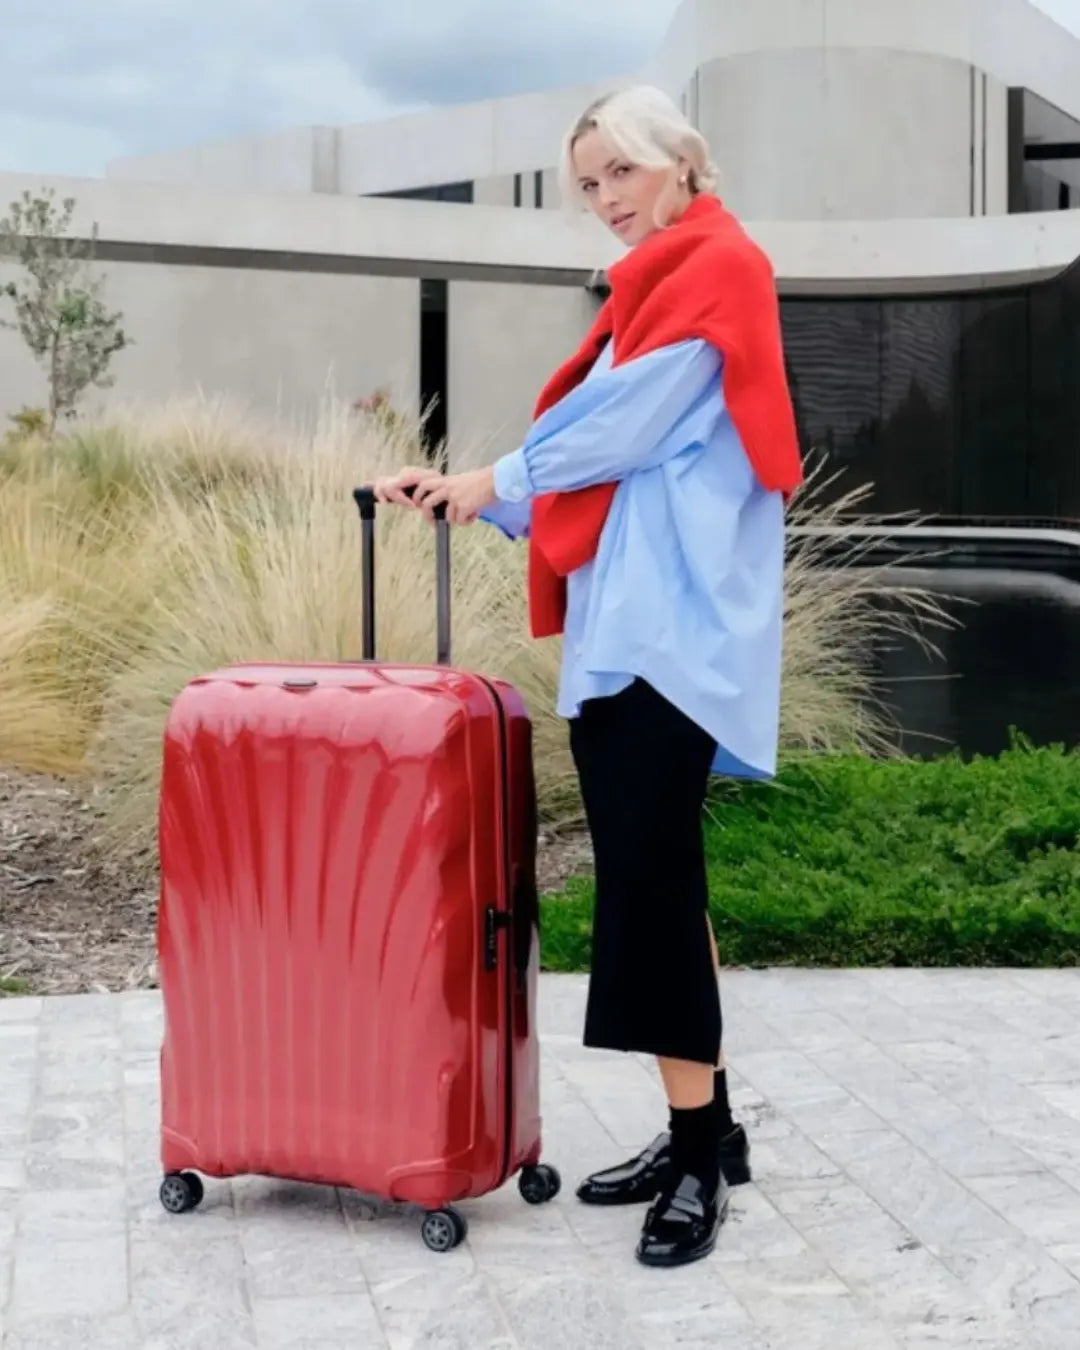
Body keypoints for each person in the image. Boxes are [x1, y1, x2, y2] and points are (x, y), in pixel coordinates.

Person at [373, 84, 803, 1269]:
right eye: (589, 184)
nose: (607, 200)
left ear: (680, 159)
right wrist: (484, 492)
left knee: (653, 890)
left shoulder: (714, 271)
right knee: (667, 880)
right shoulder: (664, 281)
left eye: (622, 171)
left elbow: (621, 426)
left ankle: (700, 1153)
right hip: (640, 626)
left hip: (669, 637)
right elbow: (616, 457)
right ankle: (704, 1134)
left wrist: (488, 481)